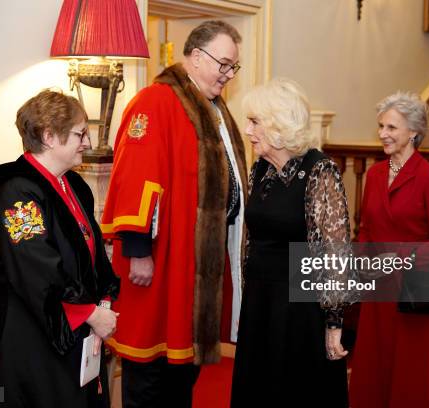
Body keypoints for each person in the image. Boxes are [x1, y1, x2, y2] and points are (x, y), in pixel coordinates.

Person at [100, 20, 247, 408]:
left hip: (195, 263)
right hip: (159, 260)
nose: (228, 75)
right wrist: (138, 248)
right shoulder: (156, 101)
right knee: (148, 374)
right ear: (197, 57)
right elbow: (135, 177)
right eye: (224, 64)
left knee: (183, 374)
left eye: (234, 67)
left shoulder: (214, 108)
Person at [0, 90, 120, 408]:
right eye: (80, 134)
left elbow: (91, 251)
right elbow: (36, 273)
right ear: (49, 136)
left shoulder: (75, 186)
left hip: (76, 333)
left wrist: (103, 300)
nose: (88, 143)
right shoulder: (15, 195)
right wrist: (90, 314)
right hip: (31, 342)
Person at [230, 78, 354, 407]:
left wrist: (333, 323)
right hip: (261, 302)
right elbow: (250, 240)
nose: (248, 129)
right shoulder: (261, 170)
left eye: (255, 121)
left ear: (280, 123)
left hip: (300, 309)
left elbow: (335, 252)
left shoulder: (319, 170)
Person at [348, 91, 429, 407]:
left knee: (409, 377)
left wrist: (398, 258)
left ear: (413, 131)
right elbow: (367, 229)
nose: (383, 134)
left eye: (392, 128)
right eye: (381, 126)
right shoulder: (374, 173)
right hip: (379, 291)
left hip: (414, 293)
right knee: (375, 368)